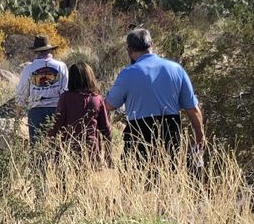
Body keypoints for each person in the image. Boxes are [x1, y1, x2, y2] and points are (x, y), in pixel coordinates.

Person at [105, 27, 206, 165]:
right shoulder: (176, 69)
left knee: (137, 181)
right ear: (152, 45)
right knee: (169, 179)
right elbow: (192, 109)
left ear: (129, 50)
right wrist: (200, 137)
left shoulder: (127, 74)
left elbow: (110, 105)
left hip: (139, 134)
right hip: (171, 133)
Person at [50, 61, 113, 163]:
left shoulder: (65, 97)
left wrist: (49, 139)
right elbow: (105, 128)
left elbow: (57, 122)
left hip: (69, 148)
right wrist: (108, 155)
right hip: (91, 150)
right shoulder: (97, 99)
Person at [14, 34, 69, 143]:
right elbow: (65, 91)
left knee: (36, 148)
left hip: (36, 111)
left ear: (36, 51)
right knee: (56, 146)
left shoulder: (29, 69)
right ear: (49, 50)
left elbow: (21, 94)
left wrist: (18, 115)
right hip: (56, 110)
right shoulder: (61, 66)